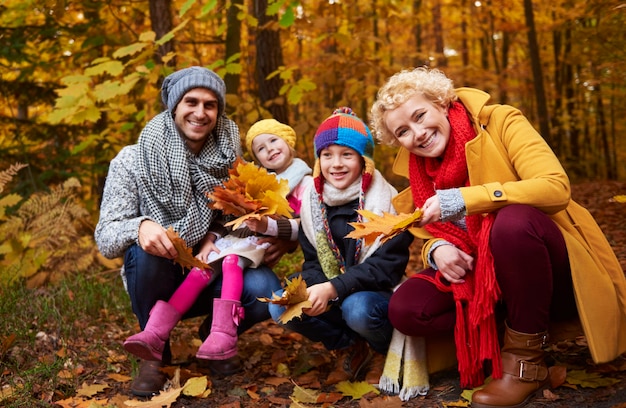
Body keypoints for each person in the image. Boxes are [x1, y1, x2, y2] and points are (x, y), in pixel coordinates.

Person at [369, 67, 626, 407]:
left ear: (442, 103)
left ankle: (526, 364)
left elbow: (555, 186)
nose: (418, 133)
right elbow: (429, 229)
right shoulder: (419, 171)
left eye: (420, 115)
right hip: (485, 279)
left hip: (551, 266)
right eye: (403, 131)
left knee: (511, 222)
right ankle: (504, 338)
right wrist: (438, 249)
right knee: (406, 309)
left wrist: (465, 199)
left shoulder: (501, 122)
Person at [94, 66, 285, 396]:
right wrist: (141, 225)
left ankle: (217, 334)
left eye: (210, 105)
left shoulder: (233, 166)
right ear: (174, 106)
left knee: (264, 285)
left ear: (219, 111)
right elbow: (106, 237)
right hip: (159, 274)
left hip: (213, 270)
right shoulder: (132, 160)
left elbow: (244, 226)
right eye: (191, 102)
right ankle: (156, 354)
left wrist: (276, 237)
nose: (200, 112)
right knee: (145, 252)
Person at [121, 118, 311, 366]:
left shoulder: (304, 183)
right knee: (201, 271)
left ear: (288, 142)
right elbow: (229, 216)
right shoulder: (255, 180)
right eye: (261, 149)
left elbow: (306, 225)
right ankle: (156, 331)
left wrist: (270, 227)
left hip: (255, 244)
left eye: (274, 141)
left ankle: (222, 334)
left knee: (232, 263)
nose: (270, 150)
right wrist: (209, 240)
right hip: (233, 238)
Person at [268, 107, 414, 386]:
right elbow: (313, 261)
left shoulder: (387, 204)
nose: (336, 164)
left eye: (346, 154)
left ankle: (382, 350)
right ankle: (349, 347)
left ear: (363, 160)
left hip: (375, 295)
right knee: (283, 305)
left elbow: (386, 269)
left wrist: (334, 288)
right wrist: (310, 287)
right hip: (334, 291)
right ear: (317, 160)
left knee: (357, 309)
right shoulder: (313, 202)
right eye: (327, 155)